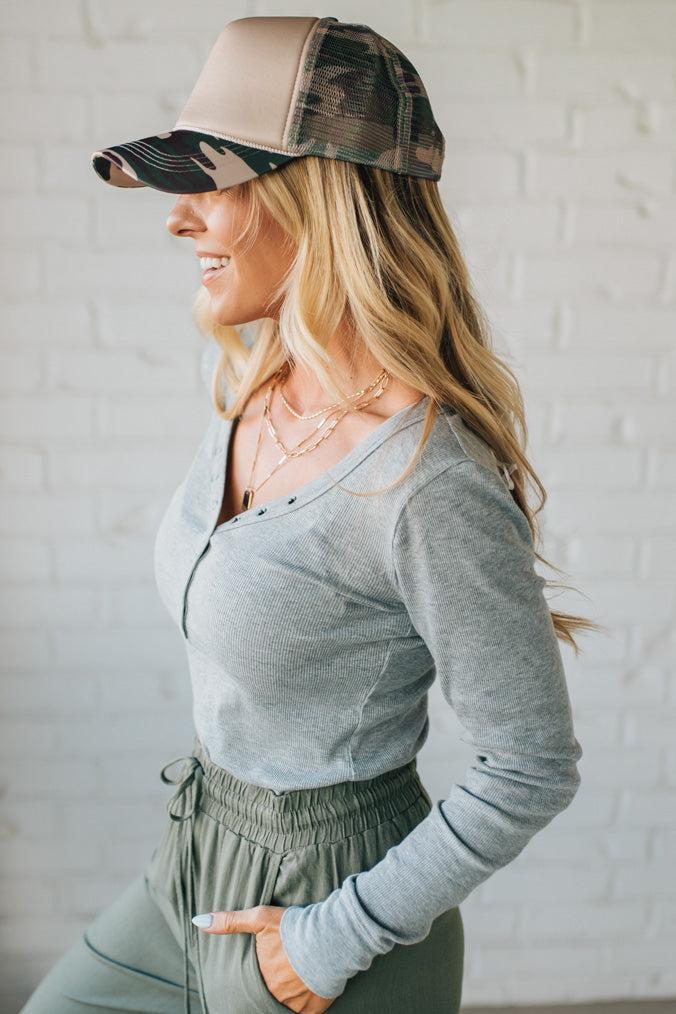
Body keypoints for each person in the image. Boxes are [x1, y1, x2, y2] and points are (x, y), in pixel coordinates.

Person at [20, 14, 593, 1014]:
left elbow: (531, 764)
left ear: (318, 198)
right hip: (191, 862)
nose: (177, 217)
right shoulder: (254, 375)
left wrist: (333, 941)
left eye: (215, 182)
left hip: (332, 911)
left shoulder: (427, 482)